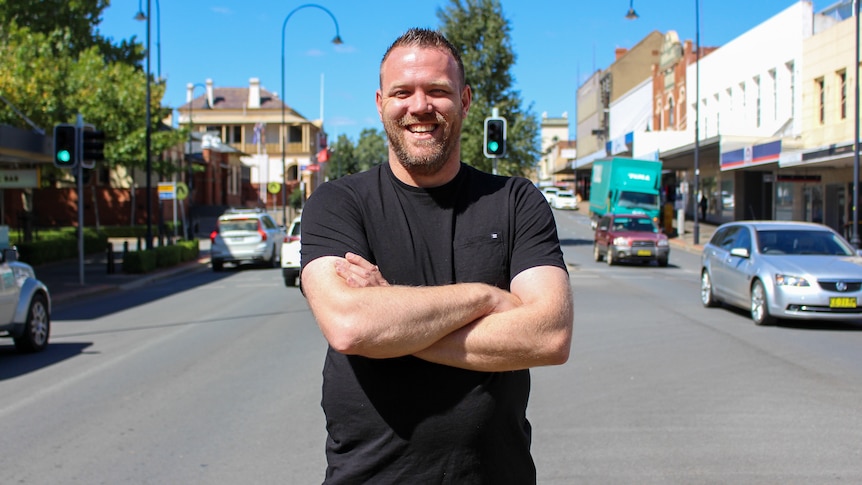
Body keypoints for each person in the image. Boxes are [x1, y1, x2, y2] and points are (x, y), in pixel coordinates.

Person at [300, 28, 573, 484]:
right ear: (380, 102)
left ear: (465, 101)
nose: (419, 106)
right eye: (402, 92)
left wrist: (392, 319)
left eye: (438, 91)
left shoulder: (516, 200)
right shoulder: (337, 203)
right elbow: (351, 325)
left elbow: (550, 335)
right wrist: (488, 297)